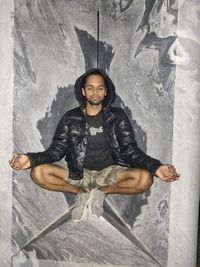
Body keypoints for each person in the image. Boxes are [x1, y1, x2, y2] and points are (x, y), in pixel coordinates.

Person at [9, 68, 180, 221]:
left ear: (105, 91)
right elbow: (56, 151)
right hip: (77, 172)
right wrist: (30, 160)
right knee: (38, 173)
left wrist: (156, 167)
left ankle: (102, 192)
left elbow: (130, 150)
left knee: (145, 179)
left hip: (110, 172)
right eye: (90, 88)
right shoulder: (70, 118)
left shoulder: (117, 116)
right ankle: (81, 194)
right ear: (83, 91)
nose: (95, 92)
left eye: (100, 88)